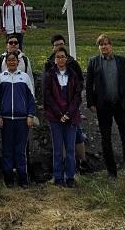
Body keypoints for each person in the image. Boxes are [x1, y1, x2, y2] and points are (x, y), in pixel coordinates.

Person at [86, 34, 125, 181]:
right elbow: (89, 85)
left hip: (121, 106)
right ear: (98, 47)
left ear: (111, 46)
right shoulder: (93, 62)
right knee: (106, 139)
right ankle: (111, 172)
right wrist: (91, 103)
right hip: (103, 107)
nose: (104, 47)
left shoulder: (123, 62)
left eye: (106, 44)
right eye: (101, 45)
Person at [44, 34, 90, 173]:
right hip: (55, 109)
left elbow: (79, 83)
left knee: (77, 135)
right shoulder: (48, 64)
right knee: (60, 141)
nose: (59, 47)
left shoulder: (73, 63)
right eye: (57, 45)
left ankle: (82, 162)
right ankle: (62, 168)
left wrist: (71, 108)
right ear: (53, 47)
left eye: (62, 44)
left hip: (71, 107)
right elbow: (47, 89)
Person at [43, 46, 82, 188]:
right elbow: (47, 96)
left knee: (70, 149)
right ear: (54, 60)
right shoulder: (49, 75)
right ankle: (58, 177)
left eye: (62, 57)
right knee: (58, 149)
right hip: (55, 117)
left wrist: (68, 113)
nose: (60, 59)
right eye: (58, 57)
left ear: (66, 59)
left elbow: (77, 96)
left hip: (71, 117)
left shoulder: (73, 75)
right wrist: (59, 114)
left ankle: (70, 177)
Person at [0, 52, 36, 188]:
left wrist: (30, 115)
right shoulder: (0, 78)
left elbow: (31, 98)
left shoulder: (24, 78)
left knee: (20, 150)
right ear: (6, 62)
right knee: (7, 149)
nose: (12, 62)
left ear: (18, 62)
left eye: (14, 60)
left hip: (22, 119)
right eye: (9, 60)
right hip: (6, 119)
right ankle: (8, 178)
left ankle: (23, 178)